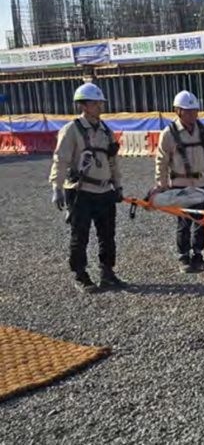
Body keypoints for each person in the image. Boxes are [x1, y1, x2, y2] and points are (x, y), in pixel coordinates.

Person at [49, 82, 128, 294]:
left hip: (104, 191)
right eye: (95, 103)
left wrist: (118, 185)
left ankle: (107, 272)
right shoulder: (71, 130)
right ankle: (80, 275)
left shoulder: (106, 131)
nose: (100, 107)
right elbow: (61, 160)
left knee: (107, 235)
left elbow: (113, 162)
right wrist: (56, 187)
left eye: (100, 103)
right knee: (80, 235)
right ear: (83, 106)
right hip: (80, 191)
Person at [153, 91, 204, 273]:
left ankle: (198, 255)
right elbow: (161, 161)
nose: (192, 115)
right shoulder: (169, 134)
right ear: (178, 111)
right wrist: (161, 185)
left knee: (202, 221)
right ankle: (183, 256)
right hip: (180, 184)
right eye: (188, 111)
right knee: (184, 222)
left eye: (195, 111)